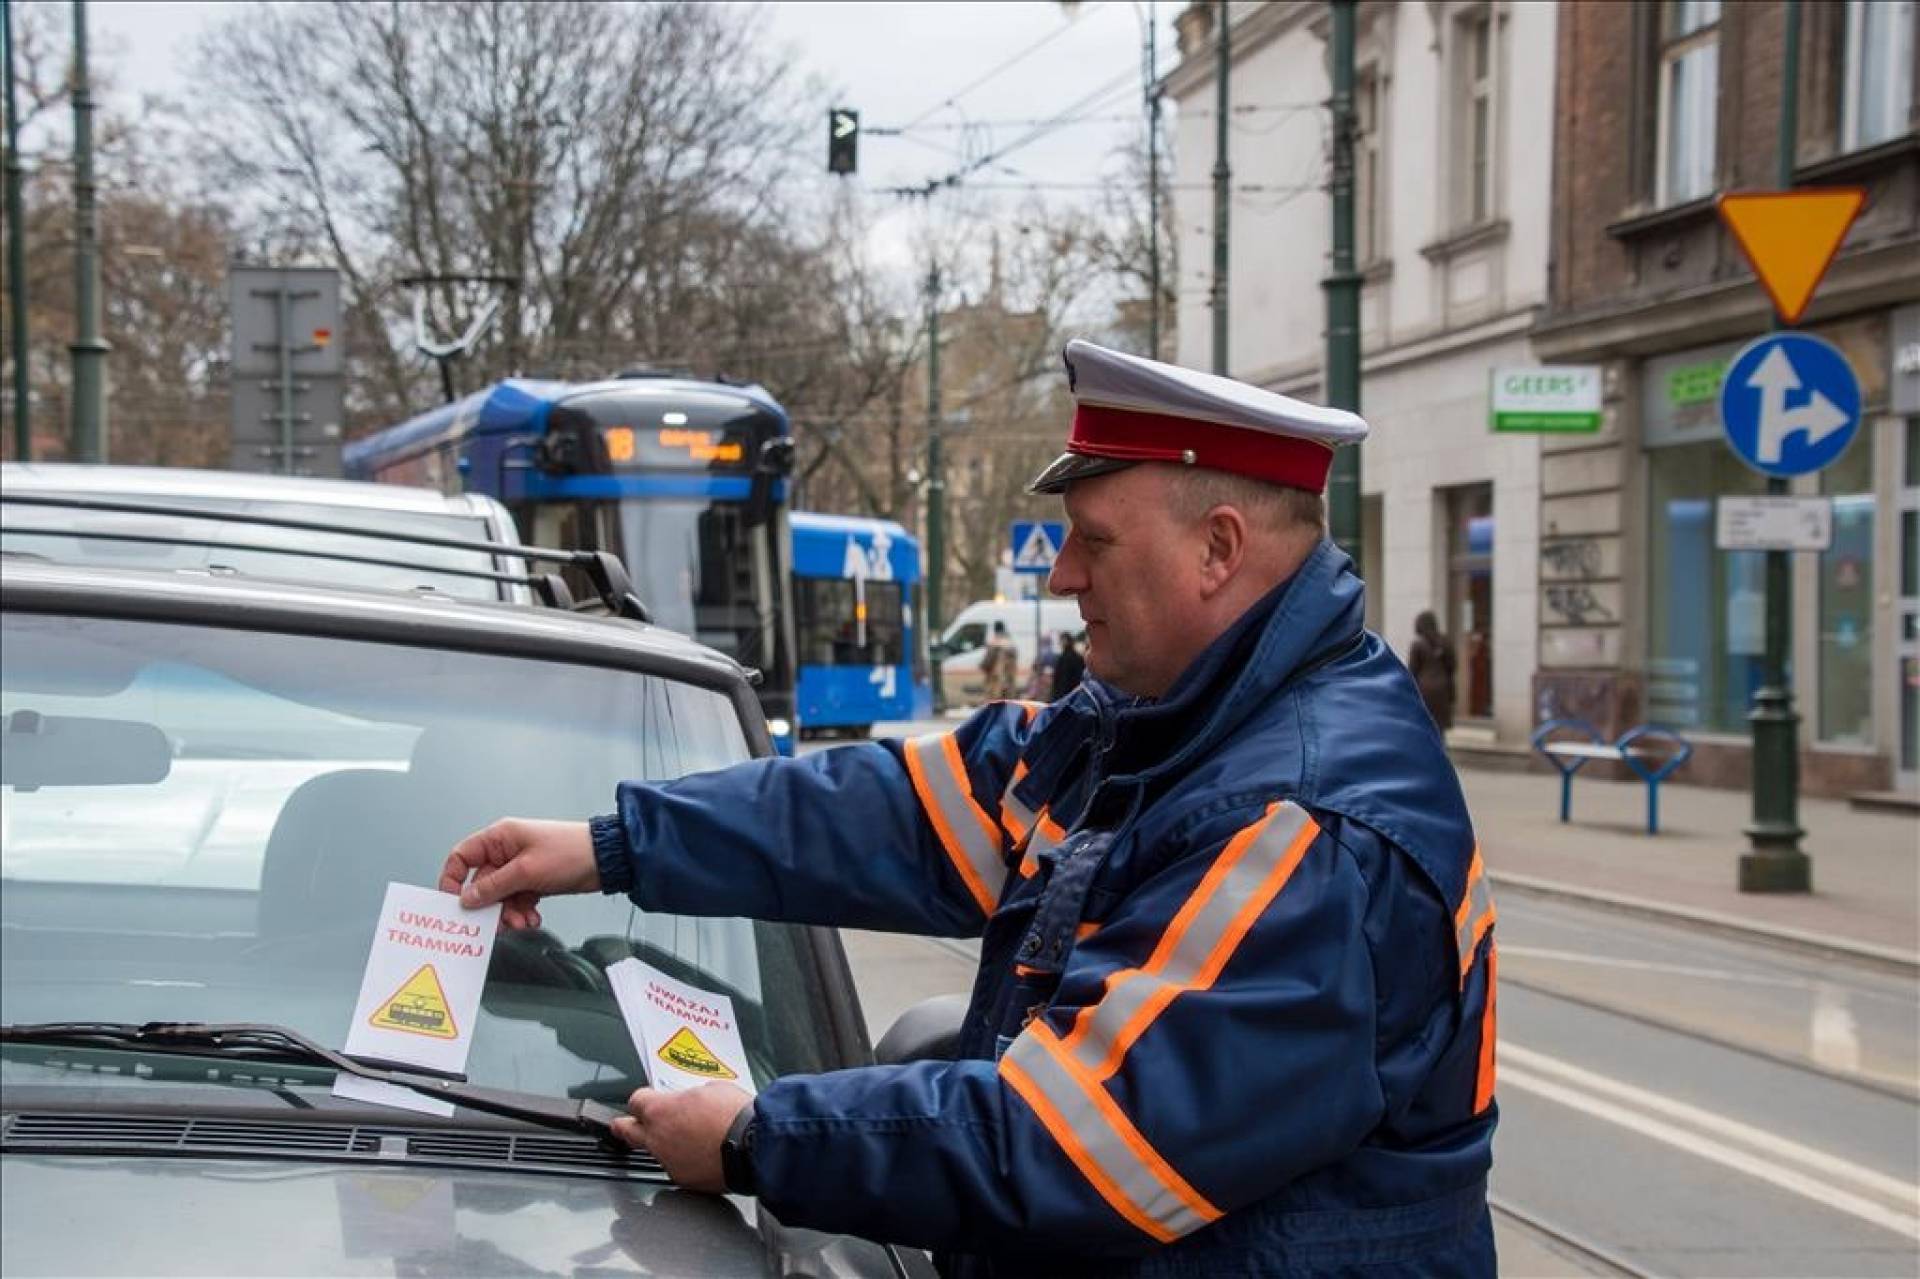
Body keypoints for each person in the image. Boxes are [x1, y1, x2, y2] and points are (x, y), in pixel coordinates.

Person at [442, 339, 1498, 1276]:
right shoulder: (1148, 726)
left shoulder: (1303, 828)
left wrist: (756, 1140)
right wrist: (610, 844)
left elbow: (1077, 1144)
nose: (1066, 574)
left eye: (1095, 540)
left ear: (1218, 549)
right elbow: (893, 813)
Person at [1410, 609, 1458, 732]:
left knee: (1424, 727)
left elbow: (1412, 671)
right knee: (1439, 728)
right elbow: (1452, 666)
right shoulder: (1446, 642)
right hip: (1442, 689)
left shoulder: (1417, 645)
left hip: (1423, 689)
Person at [980, 620, 1019, 702]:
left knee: (995, 704)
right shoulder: (1010, 643)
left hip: (996, 682)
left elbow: (987, 662)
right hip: (1009, 681)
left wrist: (982, 666)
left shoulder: (994, 643)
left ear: (995, 630)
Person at [1049, 629, 1085, 701]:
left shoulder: (1064, 658)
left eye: (1061, 640)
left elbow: (1062, 680)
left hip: (1063, 696)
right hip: (1076, 695)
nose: (1060, 643)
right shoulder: (1078, 657)